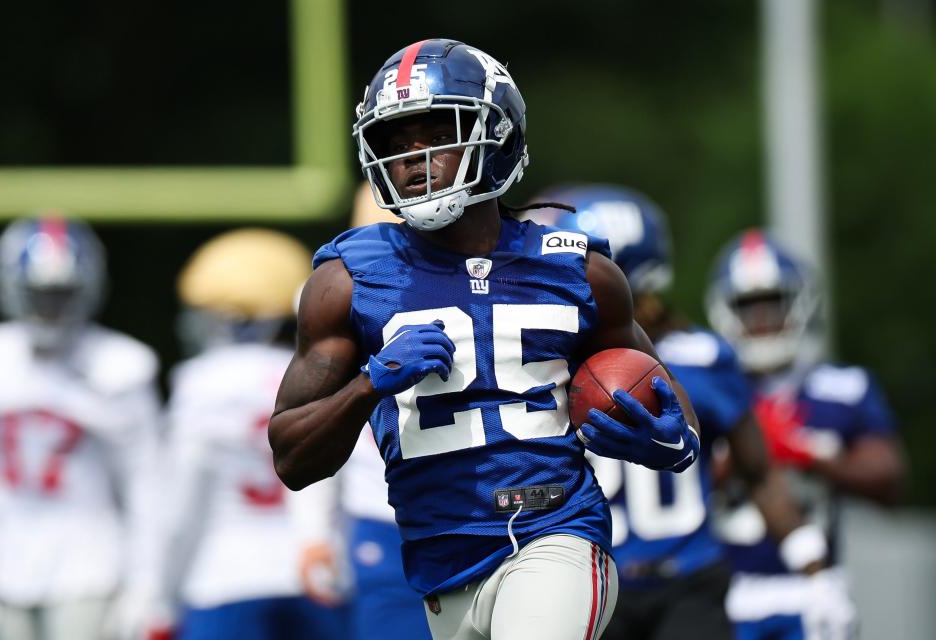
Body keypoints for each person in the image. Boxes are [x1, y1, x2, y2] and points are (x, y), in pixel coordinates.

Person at [269, 38, 701, 640]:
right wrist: (368, 386)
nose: (413, 159)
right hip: (443, 569)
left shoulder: (579, 270)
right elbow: (290, 458)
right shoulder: (346, 282)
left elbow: (672, 405)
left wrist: (670, 438)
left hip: (557, 533)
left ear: (496, 132)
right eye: (395, 145)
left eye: (434, 134)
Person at [537, 185, 826, 640]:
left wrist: (814, 569)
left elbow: (759, 473)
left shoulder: (703, 358)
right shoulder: (549, 362)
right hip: (595, 580)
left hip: (688, 583)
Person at [706, 229, 905, 639]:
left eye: (772, 304)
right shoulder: (705, 387)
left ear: (798, 302)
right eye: (748, 307)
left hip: (812, 587)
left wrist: (807, 453)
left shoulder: (841, 387)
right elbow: (664, 490)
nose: (761, 320)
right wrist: (738, 457)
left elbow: (889, 481)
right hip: (721, 588)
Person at [0, 215, 163, 640]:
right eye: (39, 294)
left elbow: (145, 483)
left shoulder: (120, 364)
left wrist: (145, 582)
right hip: (1, 555)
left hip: (90, 563)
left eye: (61, 294)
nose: (50, 308)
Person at [156, 229, 346, 640]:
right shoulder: (317, 373)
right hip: (312, 574)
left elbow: (180, 507)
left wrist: (158, 598)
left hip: (223, 577)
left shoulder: (200, 382)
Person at [295, 184, 432, 640]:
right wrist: (315, 531)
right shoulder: (341, 291)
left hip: (482, 504)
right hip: (382, 509)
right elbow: (317, 420)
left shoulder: (490, 278)